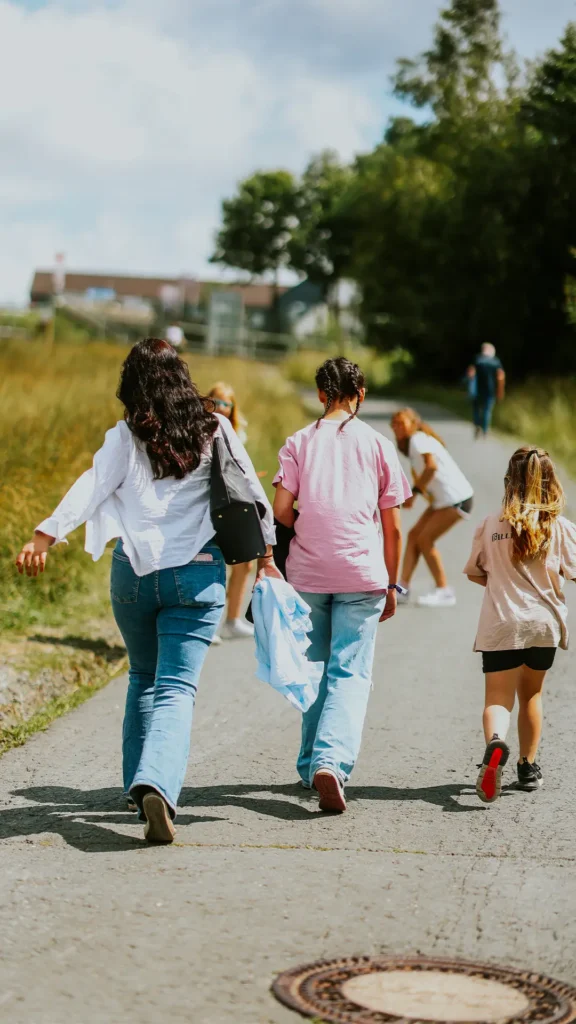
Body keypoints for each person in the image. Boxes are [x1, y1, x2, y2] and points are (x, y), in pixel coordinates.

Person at [16, 338, 278, 843]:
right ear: (182, 378)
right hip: (198, 576)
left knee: (142, 676)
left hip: (133, 575)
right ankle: (156, 782)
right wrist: (267, 558)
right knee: (177, 687)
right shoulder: (215, 428)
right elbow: (251, 492)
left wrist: (44, 535)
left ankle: (138, 789)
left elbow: (89, 487)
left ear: (131, 384)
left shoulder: (125, 436)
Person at [273, 357, 411, 813]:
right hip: (362, 573)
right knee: (350, 671)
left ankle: (311, 760)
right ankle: (330, 762)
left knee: (313, 668)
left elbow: (280, 510)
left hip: (308, 573)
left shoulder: (298, 442)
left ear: (319, 394)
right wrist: (393, 583)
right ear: (361, 394)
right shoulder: (377, 443)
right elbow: (392, 527)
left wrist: (308, 526)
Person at [464, 446, 576, 804]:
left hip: (502, 623)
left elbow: (475, 573)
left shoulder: (491, 524)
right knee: (531, 693)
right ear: (550, 481)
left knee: (498, 698)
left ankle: (496, 743)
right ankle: (528, 767)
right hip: (543, 625)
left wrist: (502, 583)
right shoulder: (560, 527)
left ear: (508, 481)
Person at [391, 408, 474, 607]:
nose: (398, 428)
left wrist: (415, 493)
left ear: (413, 424)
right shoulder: (415, 442)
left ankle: (444, 590)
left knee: (425, 538)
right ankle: (402, 589)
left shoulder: (418, 439)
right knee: (414, 535)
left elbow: (431, 467)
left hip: (456, 499)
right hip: (443, 500)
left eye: (402, 423)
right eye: (395, 424)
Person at [207, 382, 254, 639]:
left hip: (235, 499)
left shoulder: (237, 432)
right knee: (216, 560)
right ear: (208, 401)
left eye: (227, 403)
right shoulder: (202, 429)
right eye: (218, 402)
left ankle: (233, 619)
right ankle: (211, 624)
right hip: (214, 501)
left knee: (245, 561)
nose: (223, 408)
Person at [467, 343, 505, 439]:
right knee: (487, 411)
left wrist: (469, 386)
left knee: (476, 410)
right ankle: (485, 430)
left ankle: (477, 425)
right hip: (490, 391)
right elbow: (500, 376)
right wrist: (500, 391)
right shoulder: (495, 362)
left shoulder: (477, 359)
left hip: (476, 391)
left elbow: (471, 373)